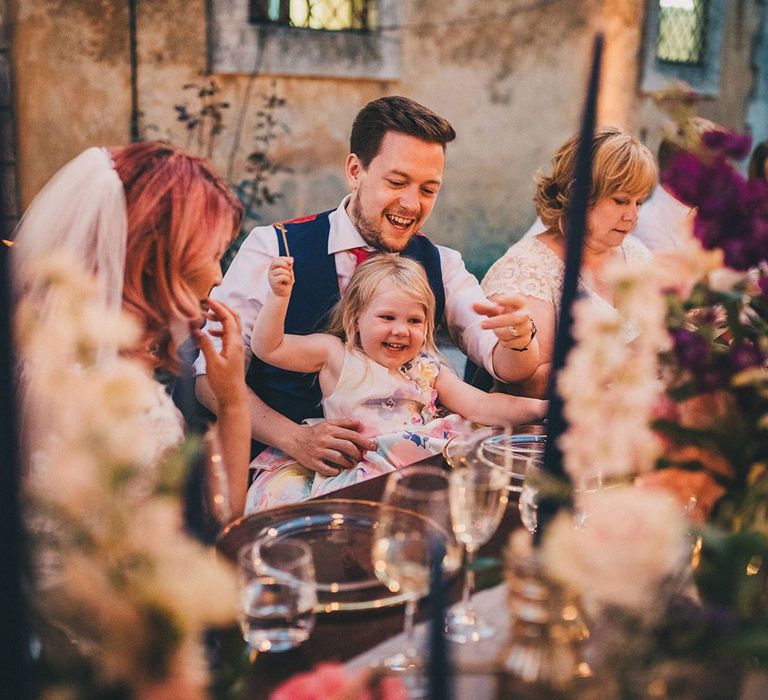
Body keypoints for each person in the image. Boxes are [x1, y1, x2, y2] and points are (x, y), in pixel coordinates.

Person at [194, 95, 539, 482]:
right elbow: (209, 378)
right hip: (292, 475)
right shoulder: (274, 247)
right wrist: (295, 438)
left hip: (409, 474)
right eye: (397, 182)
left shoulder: (442, 263)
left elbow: (505, 365)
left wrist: (520, 339)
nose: (411, 204)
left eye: (429, 190)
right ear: (355, 170)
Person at [12, 143, 251, 516]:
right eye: (215, 254)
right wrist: (233, 400)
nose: (219, 277)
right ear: (163, 260)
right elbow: (218, 520)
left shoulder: (49, 348)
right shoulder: (131, 407)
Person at [245, 254, 546, 511]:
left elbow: (482, 406)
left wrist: (544, 408)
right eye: (387, 317)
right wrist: (279, 297)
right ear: (355, 320)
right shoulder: (336, 355)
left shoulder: (427, 368)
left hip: (425, 467)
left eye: (414, 321)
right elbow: (268, 348)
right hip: (363, 473)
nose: (401, 330)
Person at [481, 126, 657, 398]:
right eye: (621, 201)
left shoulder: (638, 257)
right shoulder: (528, 267)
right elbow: (528, 384)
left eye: (639, 202)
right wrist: (629, 361)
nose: (632, 215)